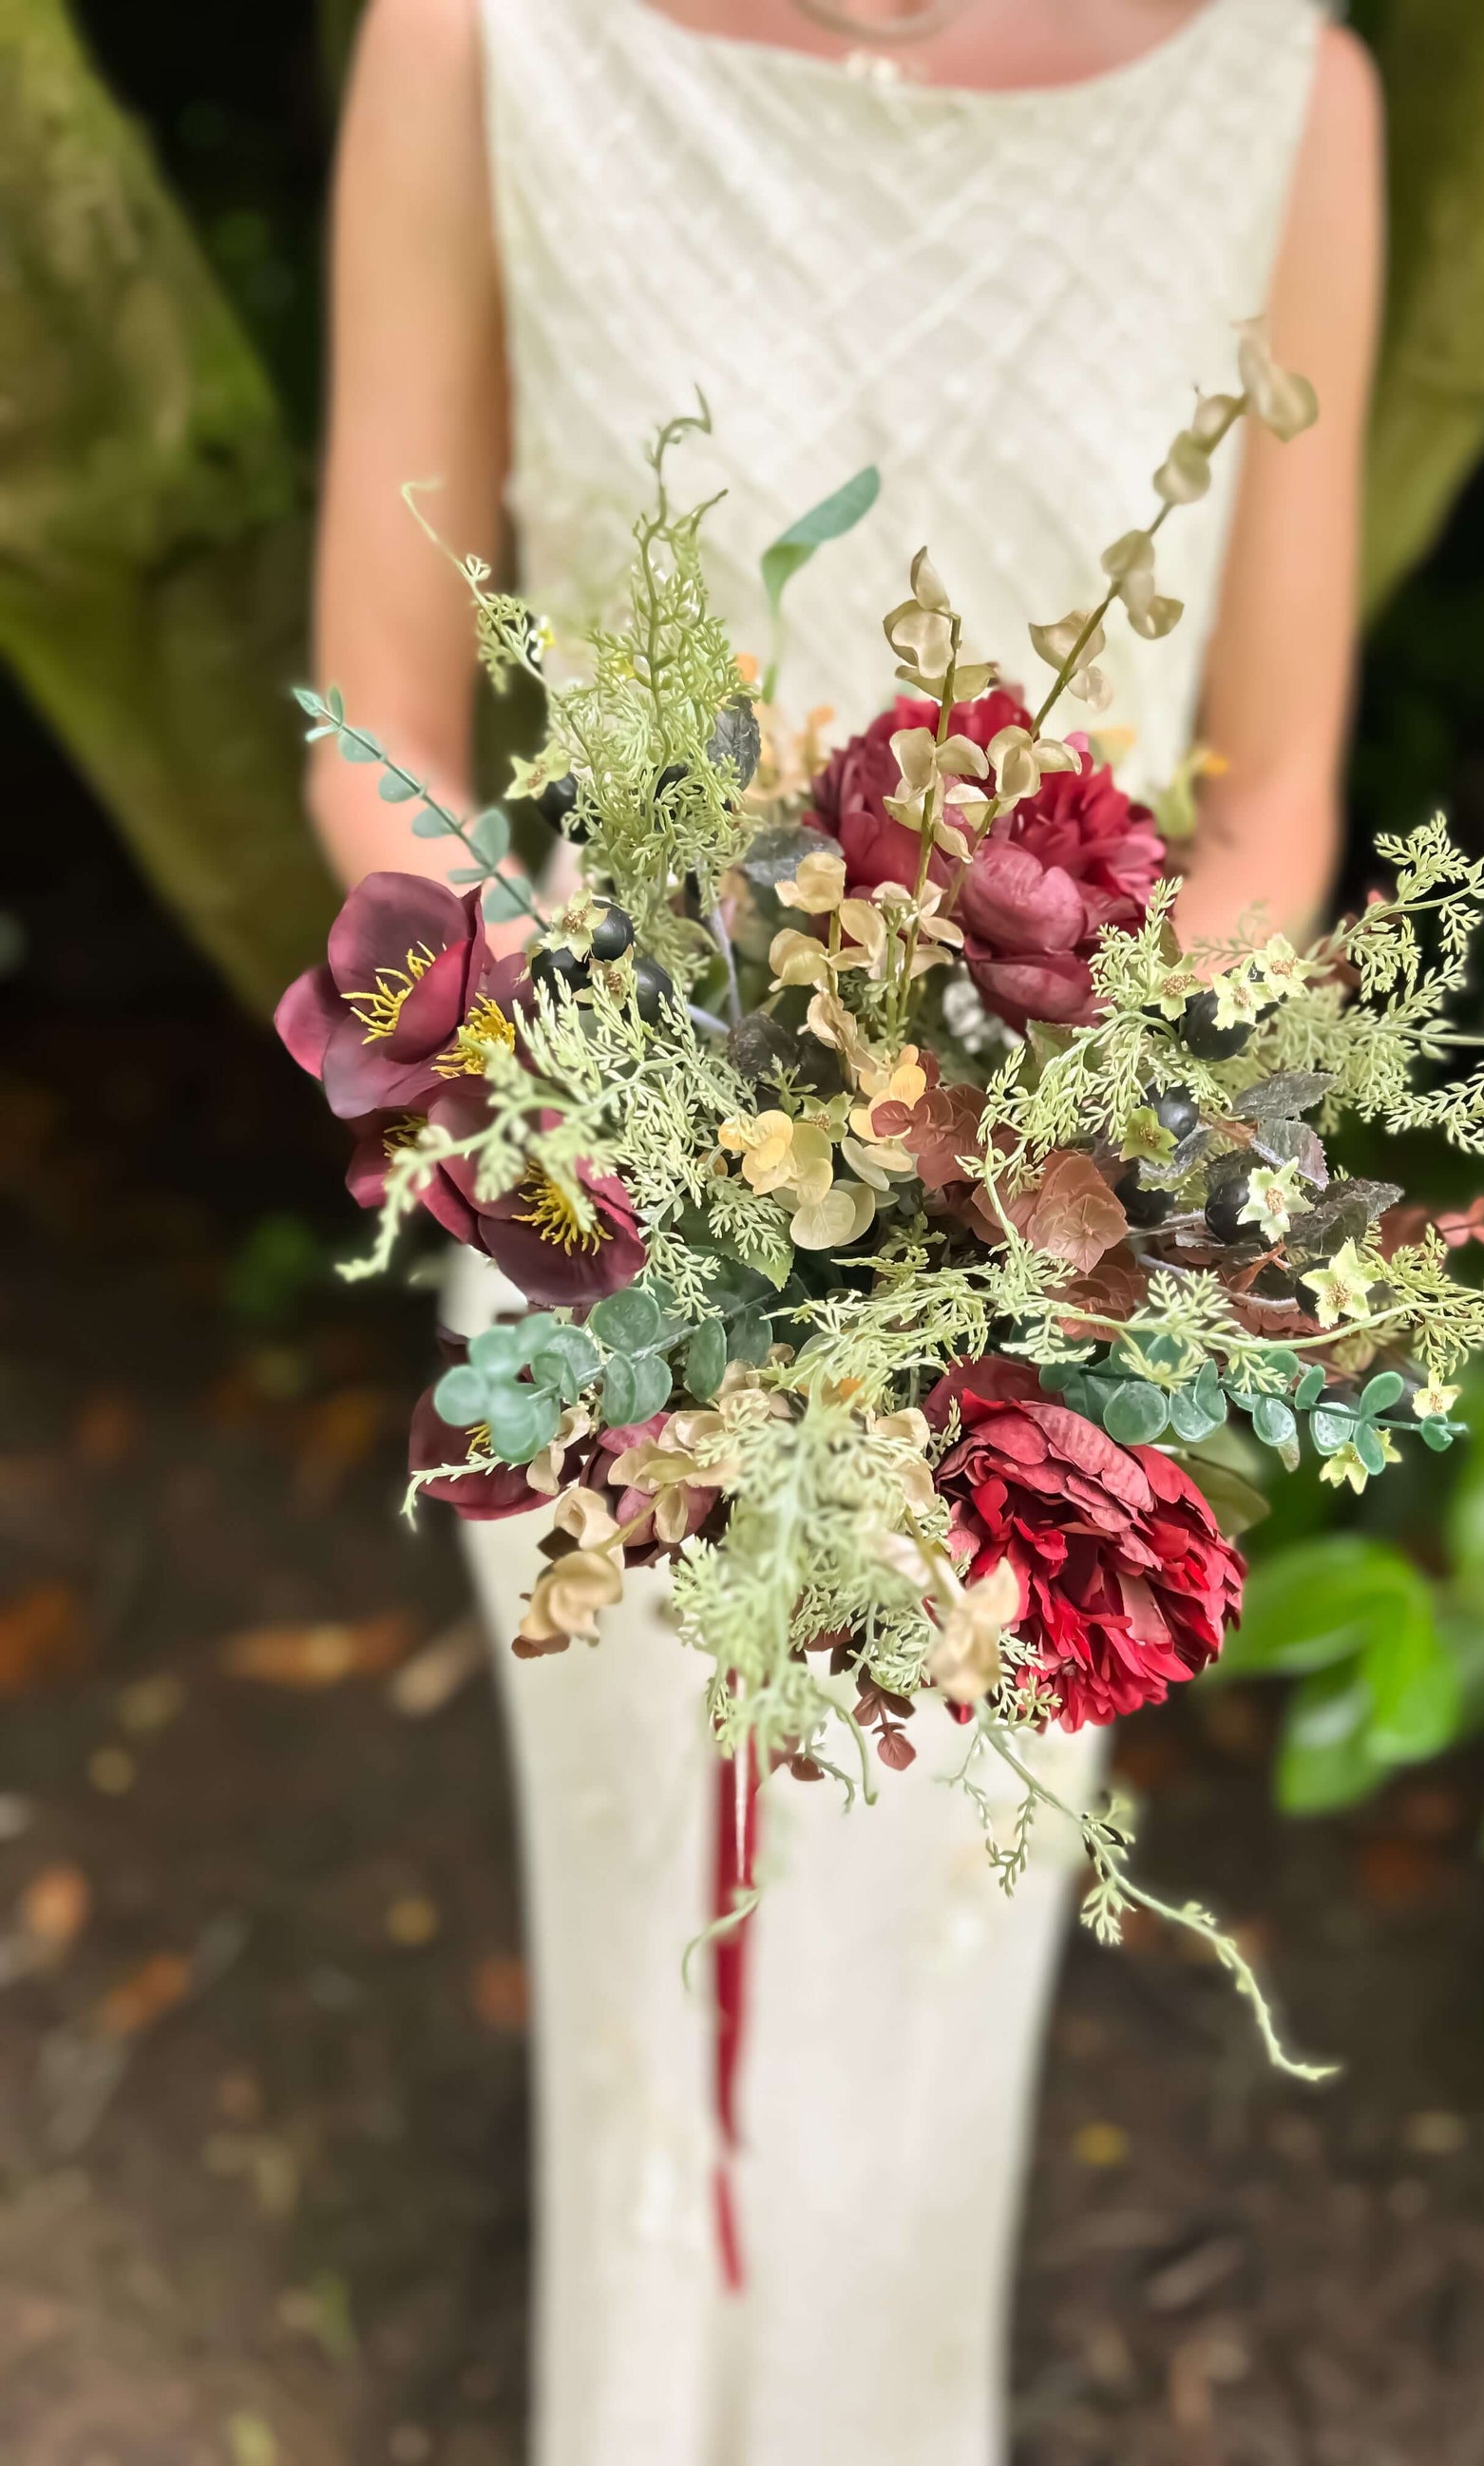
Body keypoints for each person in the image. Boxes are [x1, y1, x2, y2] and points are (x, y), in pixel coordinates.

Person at [308, 3, 1382, 2459]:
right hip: (617, 1237)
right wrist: (610, 1115)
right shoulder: (480, 41)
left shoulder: (1279, 99)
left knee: (926, 1988)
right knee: (644, 1959)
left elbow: (1274, 785)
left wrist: (1035, 1210)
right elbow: (379, 713)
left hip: (1040, 1293)